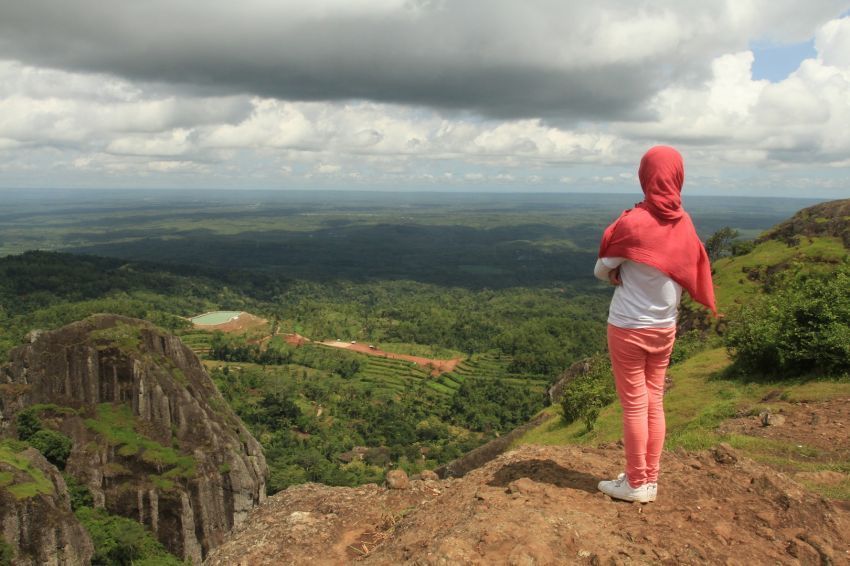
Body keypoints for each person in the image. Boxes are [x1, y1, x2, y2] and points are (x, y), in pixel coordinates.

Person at [593, 146, 716, 503]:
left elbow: (601, 269)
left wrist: (619, 269)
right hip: (665, 327)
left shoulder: (633, 222)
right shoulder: (684, 223)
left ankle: (634, 484)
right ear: (678, 176)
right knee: (655, 400)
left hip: (628, 327)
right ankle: (649, 479)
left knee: (634, 404)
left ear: (645, 176)